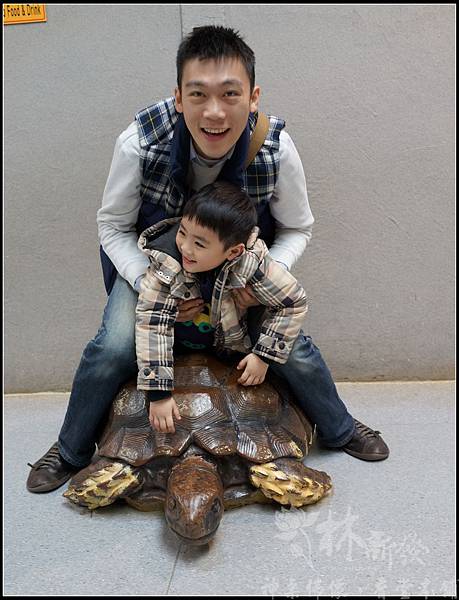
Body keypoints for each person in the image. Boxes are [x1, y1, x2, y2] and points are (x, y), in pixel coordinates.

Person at [27, 24, 388, 494]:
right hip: (154, 266)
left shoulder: (277, 147)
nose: (214, 112)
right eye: (198, 94)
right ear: (178, 97)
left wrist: (257, 276)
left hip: (240, 265)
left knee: (293, 348)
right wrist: (148, 283)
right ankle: (70, 449)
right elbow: (112, 226)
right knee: (114, 346)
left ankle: (340, 428)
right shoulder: (138, 142)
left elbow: (299, 226)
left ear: (253, 97)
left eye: (229, 94)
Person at [136, 181, 309, 434]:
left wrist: (264, 356)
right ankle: (73, 449)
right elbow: (152, 327)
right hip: (176, 350)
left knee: (301, 360)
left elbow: (294, 301)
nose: (185, 247)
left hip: (230, 350)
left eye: (200, 244)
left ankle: (337, 428)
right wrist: (158, 394)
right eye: (183, 232)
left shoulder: (252, 264)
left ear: (233, 251)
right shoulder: (165, 266)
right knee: (110, 358)